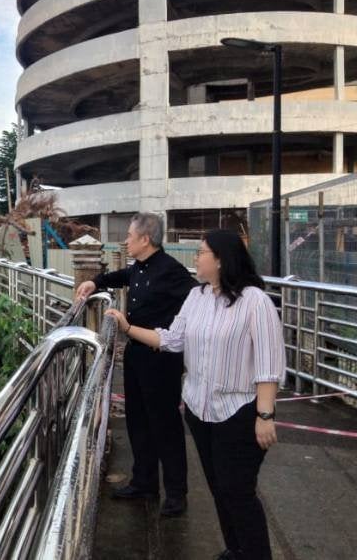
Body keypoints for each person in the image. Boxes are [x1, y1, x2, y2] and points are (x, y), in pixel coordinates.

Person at [105, 229, 285, 560]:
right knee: (219, 487)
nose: (196, 258)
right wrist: (128, 329)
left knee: (238, 490)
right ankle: (236, 549)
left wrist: (265, 415)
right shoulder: (197, 297)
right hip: (200, 411)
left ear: (221, 260)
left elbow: (268, 364)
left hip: (239, 411)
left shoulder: (255, 301)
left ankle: (255, 554)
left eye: (201, 252)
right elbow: (173, 340)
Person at [74, 213, 196, 517]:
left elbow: (198, 299)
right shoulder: (138, 268)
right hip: (135, 354)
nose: (125, 241)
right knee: (138, 421)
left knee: (165, 426)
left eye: (129, 236)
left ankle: (177, 494)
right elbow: (119, 277)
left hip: (161, 358)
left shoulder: (172, 271)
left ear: (145, 238)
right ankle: (144, 482)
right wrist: (93, 281)